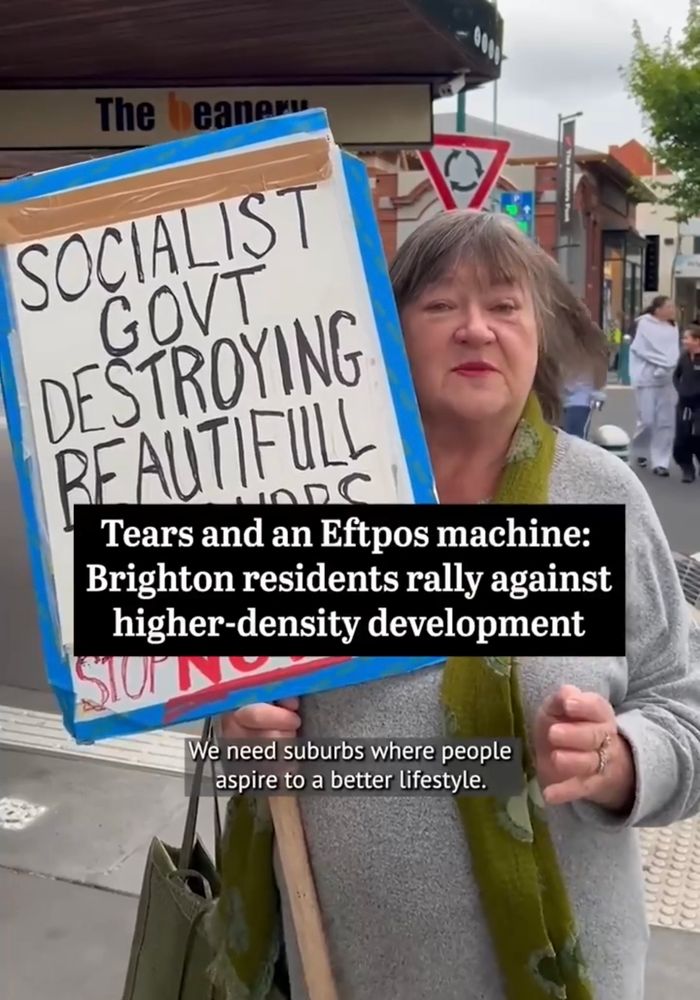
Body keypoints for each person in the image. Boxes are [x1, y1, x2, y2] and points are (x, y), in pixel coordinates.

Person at [206, 211, 700, 1000]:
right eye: (440, 305)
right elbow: (235, 718)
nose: (475, 328)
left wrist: (621, 760)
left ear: (539, 331)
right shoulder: (313, 502)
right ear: (388, 333)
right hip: (345, 976)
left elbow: (683, 712)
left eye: (504, 304)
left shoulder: (604, 498)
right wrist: (239, 732)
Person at [629, 295, 680, 476]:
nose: (672, 310)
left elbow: (673, 351)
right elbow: (640, 348)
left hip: (667, 379)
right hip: (646, 379)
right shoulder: (643, 324)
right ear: (658, 309)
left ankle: (661, 462)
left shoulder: (673, 327)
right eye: (669, 306)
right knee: (647, 420)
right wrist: (661, 362)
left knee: (666, 422)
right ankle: (640, 451)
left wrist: (669, 365)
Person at [672, 325, 700, 483]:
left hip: (699, 404)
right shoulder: (684, 357)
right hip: (684, 404)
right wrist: (680, 389)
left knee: (698, 435)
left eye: (687, 338)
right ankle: (687, 468)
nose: (684, 341)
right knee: (682, 437)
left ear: (697, 340)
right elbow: (676, 375)